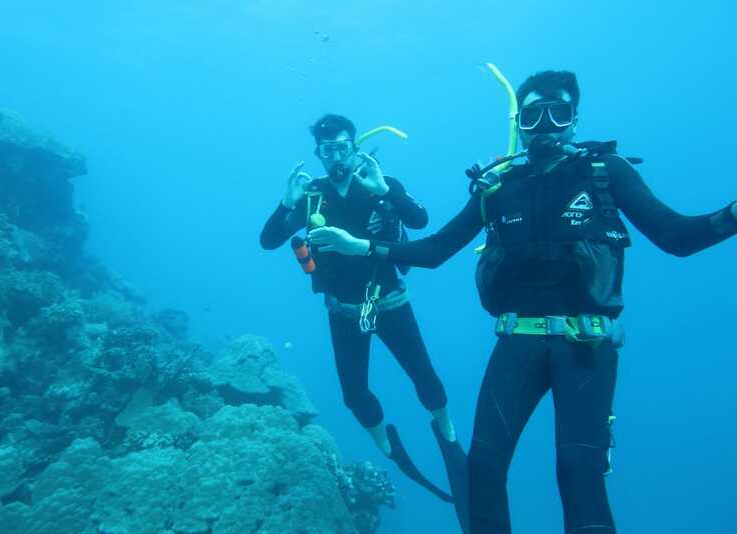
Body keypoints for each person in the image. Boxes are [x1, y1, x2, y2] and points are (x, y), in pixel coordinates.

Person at [308, 72, 737, 533]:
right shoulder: (499, 185)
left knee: (579, 474)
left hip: (586, 350)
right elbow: (436, 249)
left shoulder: (605, 173)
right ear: (522, 123)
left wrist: (729, 216)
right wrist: (366, 248)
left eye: (560, 112)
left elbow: (677, 237)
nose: (547, 125)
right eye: (533, 115)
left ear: (576, 120)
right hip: (515, 342)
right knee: (484, 472)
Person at [260, 114, 460, 490]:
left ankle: (447, 432)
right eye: (327, 149)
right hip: (343, 310)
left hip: (391, 301)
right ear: (319, 154)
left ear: (354, 146)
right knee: (354, 394)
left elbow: (420, 220)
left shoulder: (379, 184)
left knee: (423, 375)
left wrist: (387, 191)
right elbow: (268, 240)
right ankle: (388, 447)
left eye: (342, 147)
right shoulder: (310, 197)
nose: (336, 156)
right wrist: (285, 204)